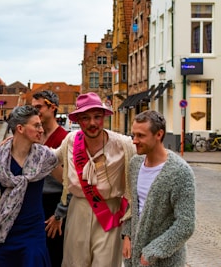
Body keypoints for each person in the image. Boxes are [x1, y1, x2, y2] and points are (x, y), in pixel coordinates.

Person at [54, 92, 135, 267]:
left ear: (104, 117)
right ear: (78, 120)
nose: (92, 123)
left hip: (110, 213)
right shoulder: (70, 141)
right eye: (85, 118)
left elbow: (147, 157)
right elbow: (49, 160)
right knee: (75, 263)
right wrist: (19, 142)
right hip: (78, 210)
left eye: (97, 117)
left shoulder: (123, 144)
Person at [0, 105, 59, 267]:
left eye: (40, 125)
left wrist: (59, 213)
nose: (41, 130)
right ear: (20, 128)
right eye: (36, 125)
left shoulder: (45, 157)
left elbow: (68, 183)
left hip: (33, 230)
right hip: (5, 229)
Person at [122, 110, 195, 267]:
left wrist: (153, 251)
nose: (134, 141)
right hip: (134, 257)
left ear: (159, 134)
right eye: (133, 135)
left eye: (141, 136)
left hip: (165, 260)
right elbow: (132, 205)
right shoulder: (135, 164)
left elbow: (186, 223)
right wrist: (127, 235)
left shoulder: (179, 172)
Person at [31, 90, 69, 266]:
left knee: (54, 253)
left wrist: (59, 214)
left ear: (52, 108)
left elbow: (69, 181)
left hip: (55, 203)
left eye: (39, 107)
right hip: (35, 201)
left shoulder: (65, 138)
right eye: (33, 108)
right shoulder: (33, 136)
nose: (35, 111)